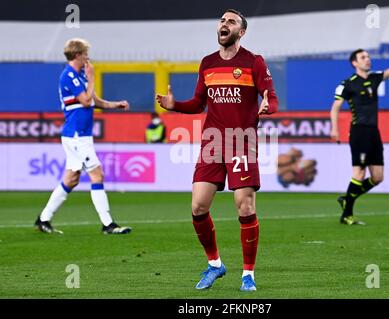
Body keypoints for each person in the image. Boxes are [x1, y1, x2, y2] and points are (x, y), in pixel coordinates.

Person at [156, 9, 278, 291]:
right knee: (198, 206)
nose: (224, 24)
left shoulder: (253, 62)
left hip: (242, 140)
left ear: (241, 32)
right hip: (212, 141)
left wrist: (267, 106)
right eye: (222, 20)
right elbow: (198, 103)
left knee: (244, 207)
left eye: (231, 21)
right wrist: (175, 105)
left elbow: (271, 95)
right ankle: (215, 265)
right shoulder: (207, 63)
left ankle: (248, 274)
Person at [35, 38, 132, 235]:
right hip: (77, 135)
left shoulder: (79, 75)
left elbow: (94, 100)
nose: (88, 57)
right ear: (78, 55)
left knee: (71, 179)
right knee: (97, 174)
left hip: (79, 135)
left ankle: (43, 219)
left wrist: (115, 105)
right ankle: (108, 224)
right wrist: (93, 77)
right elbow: (86, 101)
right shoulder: (68, 75)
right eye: (86, 53)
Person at [330, 44, 389, 225]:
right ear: (354, 63)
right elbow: (335, 107)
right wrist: (334, 129)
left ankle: (346, 199)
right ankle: (347, 215)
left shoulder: (375, 78)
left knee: (377, 177)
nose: (368, 59)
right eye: (363, 57)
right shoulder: (347, 84)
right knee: (359, 173)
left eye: (368, 56)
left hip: (374, 132)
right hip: (359, 132)